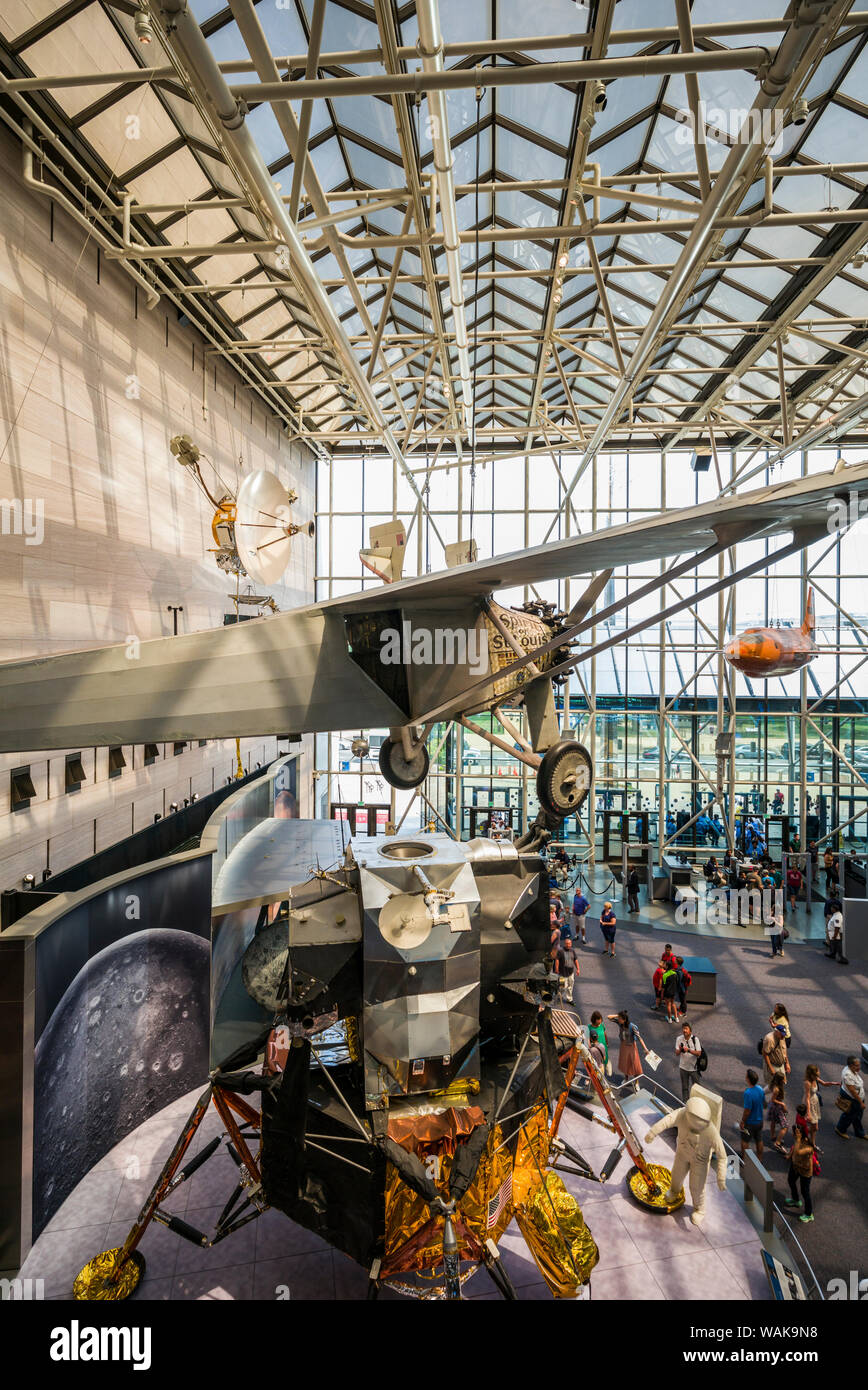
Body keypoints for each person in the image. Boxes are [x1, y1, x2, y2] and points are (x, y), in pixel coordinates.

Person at [783, 1106, 817, 1223]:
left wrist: (797, 1140)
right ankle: (796, 1200)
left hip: (805, 1171)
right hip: (795, 1166)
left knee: (805, 1191)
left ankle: (809, 1213)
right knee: (791, 1180)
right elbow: (794, 1148)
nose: (793, 1135)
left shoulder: (808, 1146)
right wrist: (789, 1155)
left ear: (800, 1135)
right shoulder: (797, 1141)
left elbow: (798, 1151)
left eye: (795, 1134)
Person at [608, 1010, 649, 1080]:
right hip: (623, 1045)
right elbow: (609, 1017)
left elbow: (639, 1038)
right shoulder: (620, 1023)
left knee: (634, 1064)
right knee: (625, 1063)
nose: (619, 1020)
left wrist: (645, 1049)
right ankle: (626, 1078)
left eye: (620, 1019)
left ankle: (636, 1082)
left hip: (631, 1046)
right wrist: (618, 1015)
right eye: (619, 1019)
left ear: (624, 1019)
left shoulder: (633, 1026)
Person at [835, 1055, 866, 1140]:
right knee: (849, 1115)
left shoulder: (848, 1069)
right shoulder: (848, 1075)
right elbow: (852, 1091)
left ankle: (859, 1132)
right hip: (854, 1099)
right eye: (856, 1065)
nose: (859, 1067)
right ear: (850, 1065)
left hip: (857, 1097)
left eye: (859, 1065)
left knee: (857, 1115)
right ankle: (840, 1129)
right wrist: (861, 1102)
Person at [803, 1064, 835, 1145]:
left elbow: (824, 1083)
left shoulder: (815, 1078)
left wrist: (833, 1083)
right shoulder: (807, 1083)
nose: (818, 1073)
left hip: (815, 1101)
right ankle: (803, 1133)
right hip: (810, 1103)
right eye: (817, 1072)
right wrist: (808, 1112)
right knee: (815, 1127)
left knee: (814, 1128)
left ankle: (812, 1143)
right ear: (811, 1074)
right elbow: (807, 1098)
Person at [740, 1068, 765, 1161]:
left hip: (750, 1123)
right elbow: (763, 1103)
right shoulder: (760, 1089)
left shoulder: (748, 1093)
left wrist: (743, 1121)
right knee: (759, 1140)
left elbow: (747, 1111)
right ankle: (760, 1159)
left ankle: (745, 1159)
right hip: (759, 1121)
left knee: (744, 1140)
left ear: (748, 1079)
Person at [675, 1022, 702, 1102]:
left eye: (686, 1029)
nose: (684, 1030)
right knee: (685, 1088)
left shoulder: (695, 1039)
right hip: (683, 1068)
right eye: (683, 1028)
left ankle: (696, 1103)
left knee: (696, 1089)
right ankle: (685, 1104)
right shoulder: (679, 1039)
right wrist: (680, 1049)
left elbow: (699, 1053)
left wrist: (689, 1050)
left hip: (694, 1069)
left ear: (690, 1031)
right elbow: (676, 1053)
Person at [762, 1023, 790, 1093]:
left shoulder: (781, 1037)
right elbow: (765, 1053)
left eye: (784, 1035)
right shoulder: (769, 1039)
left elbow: (784, 1051)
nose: (783, 1037)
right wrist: (770, 1067)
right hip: (773, 1064)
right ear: (777, 1032)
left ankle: (764, 1095)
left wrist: (787, 1063)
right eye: (782, 1034)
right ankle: (762, 1095)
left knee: (781, 1082)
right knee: (774, 1085)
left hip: (781, 1065)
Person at [767, 1076, 789, 1152]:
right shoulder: (776, 1089)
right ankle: (777, 1143)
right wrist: (782, 1104)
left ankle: (773, 1136)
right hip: (777, 1108)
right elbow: (773, 1099)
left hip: (774, 1107)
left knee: (773, 1121)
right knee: (785, 1126)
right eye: (783, 1078)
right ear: (780, 1080)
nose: (785, 1079)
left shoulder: (777, 1086)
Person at [555, 935, 578, 1005]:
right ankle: (560, 997)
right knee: (562, 987)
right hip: (562, 973)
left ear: (571, 944)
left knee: (570, 986)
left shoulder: (573, 951)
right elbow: (557, 960)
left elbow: (575, 960)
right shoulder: (560, 951)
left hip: (571, 973)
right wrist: (556, 968)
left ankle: (569, 999)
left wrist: (578, 969)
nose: (568, 945)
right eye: (567, 944)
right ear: (565, 944)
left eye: (569, 944)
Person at [660, 958, 679, 1023]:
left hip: (667, 992)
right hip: (673, 991)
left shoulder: (665, 975)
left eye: (665, 964)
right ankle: (676, 1018)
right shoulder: (675, 973)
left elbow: (663, 986)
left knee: (668, 1005)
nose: (664, 965)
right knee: (673, 1004)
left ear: (667, 966)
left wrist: (662, 994)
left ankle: (670, 1019)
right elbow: (677, 982)